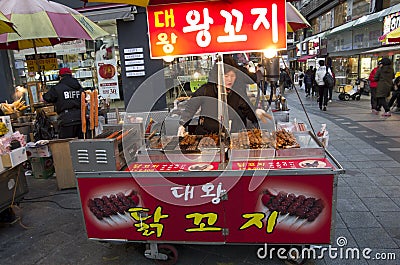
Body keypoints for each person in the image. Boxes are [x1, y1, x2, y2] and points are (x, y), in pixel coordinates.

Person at [178, 56, 271, 136]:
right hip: (207, 135)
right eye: (226, 76)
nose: (229, 80)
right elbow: (190, 108)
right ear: (218, 76)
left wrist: (256, 113)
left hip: (232, 136)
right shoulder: (206, 90)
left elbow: (248, 110)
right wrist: (183, 124)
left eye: (232, 76)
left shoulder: (237, 93)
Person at [43, 67, 84, 138]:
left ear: (60, 77)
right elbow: (84, 98)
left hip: (66, 120)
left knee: (66, 144)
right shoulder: (78, 86)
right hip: (80, 118)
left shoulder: (57, 88)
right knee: (80, 144)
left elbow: (46, 98)